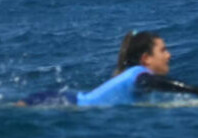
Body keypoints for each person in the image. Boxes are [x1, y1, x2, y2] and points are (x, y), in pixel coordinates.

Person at [20, 30, 198, 107]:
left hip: (60, 99)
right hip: (61, 103)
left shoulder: (132, 75)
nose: (169, 55)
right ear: (146, 59)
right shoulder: (139, 74)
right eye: (163, 50)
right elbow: (160, 84)